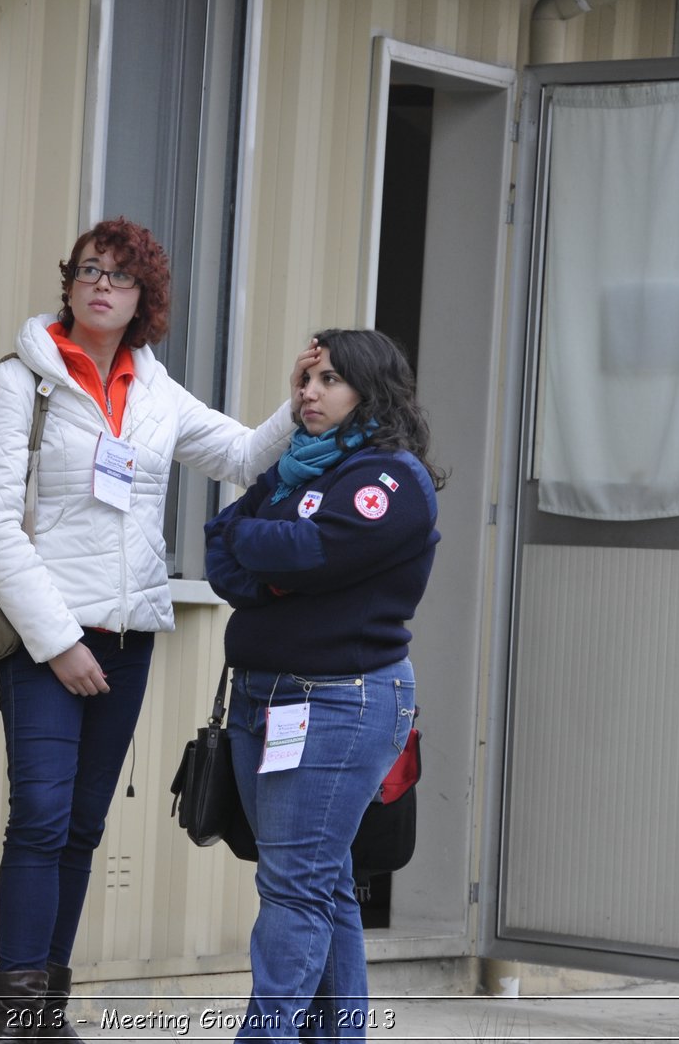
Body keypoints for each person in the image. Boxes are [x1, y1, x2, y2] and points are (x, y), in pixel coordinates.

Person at [0, 217, 316, 1040]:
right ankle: (11, 1018)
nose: (99, 284)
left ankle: (48, 1010)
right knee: (40, 818)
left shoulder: (155, 390)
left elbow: (237, 455)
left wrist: (297, 398)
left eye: (118, 276)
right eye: (88, 269)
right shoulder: (21, 381)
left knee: (84, 825)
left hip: (130, 636)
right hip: (43, 638)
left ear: (143, 300)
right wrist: (58, 642)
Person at [204, 328, 443, 1042]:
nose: (308, 392)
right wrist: (268, 556)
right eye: (305, 379)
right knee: (319, 882)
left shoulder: (390, 478)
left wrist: (266, 553)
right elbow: (221, 546)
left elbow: (305, 549)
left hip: (338, 700)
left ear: (369, 391)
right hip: (263, 695)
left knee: (295, 887)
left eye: (329, 379)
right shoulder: (298, 470)